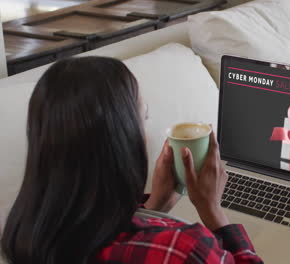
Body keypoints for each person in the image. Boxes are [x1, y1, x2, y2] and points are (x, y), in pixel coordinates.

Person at [0, 57, 263, 264]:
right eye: (143, 118)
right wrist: (212, 210)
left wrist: (155, 206)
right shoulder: (184, 249)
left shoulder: (23, 234)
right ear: (122, 139)